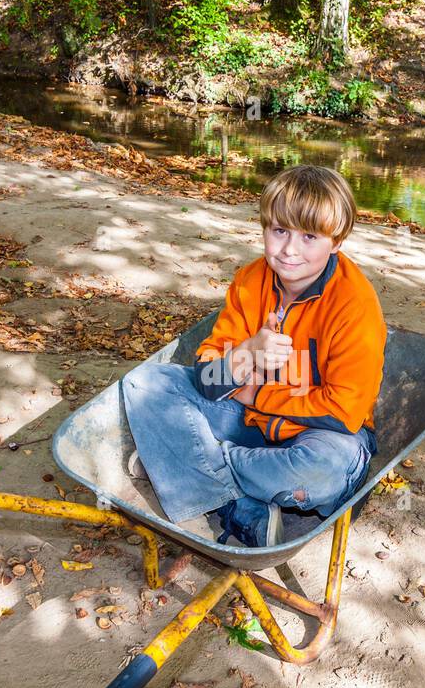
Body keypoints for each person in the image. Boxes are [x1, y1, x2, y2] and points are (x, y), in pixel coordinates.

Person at [120, 164, 386, 547]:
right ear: (264, 229)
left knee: (325, 471)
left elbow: (343, 414)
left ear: (337, 241)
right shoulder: (251, 280)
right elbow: (208, 381)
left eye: (310, 236)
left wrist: (255, 394)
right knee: (147, 382)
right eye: (279, 230)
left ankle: (183, 465)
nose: (290, 249)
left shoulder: (354, 304)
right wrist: (246, 352)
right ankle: (238, 506)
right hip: (246, 423)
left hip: (322, 438)